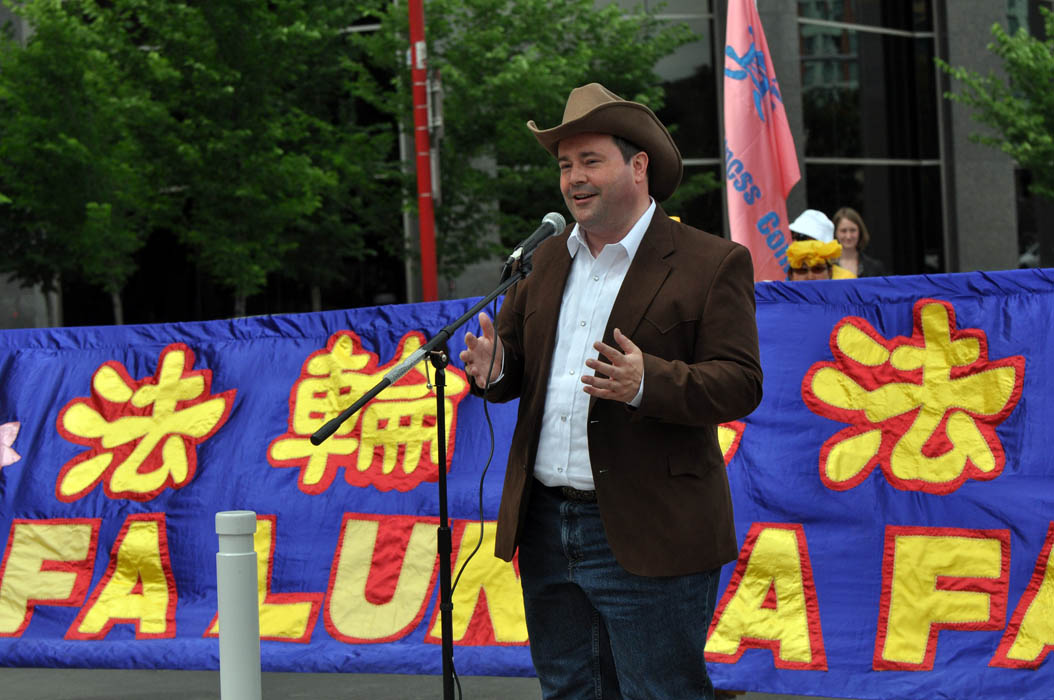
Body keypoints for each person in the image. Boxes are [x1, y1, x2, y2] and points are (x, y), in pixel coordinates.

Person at [459, 82, 763, 699]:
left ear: (638, 165)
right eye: (565, 165)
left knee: (661, 692)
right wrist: (495, 371)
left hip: (652, 525)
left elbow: (741, 382)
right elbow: (518, 367)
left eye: (590, 161)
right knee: (569, 689)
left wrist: (648, 382)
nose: (574, 178)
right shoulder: (540, 261)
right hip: (546, 523)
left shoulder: (710, 262)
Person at [787, 209, 855, 279]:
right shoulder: (787, 271)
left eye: (800, 237)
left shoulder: (846, 279)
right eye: (801, 270)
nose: (794, 241)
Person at [831, 206, 887, 277]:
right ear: (835, 233)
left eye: (853, 230)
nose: (848, 236)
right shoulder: (826, 267)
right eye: (843, 231)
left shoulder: (875, 267)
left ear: (860, 232)